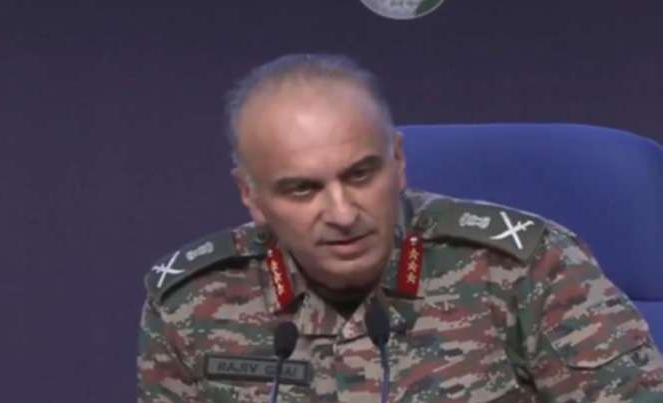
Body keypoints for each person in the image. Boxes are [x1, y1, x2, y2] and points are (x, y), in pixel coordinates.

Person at [136, 54, 663, 402]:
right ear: (251, 196)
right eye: (303, 189)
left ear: (399, 162)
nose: (343, 213)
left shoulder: (529, 267)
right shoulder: (191, 302)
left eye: (360, 175)